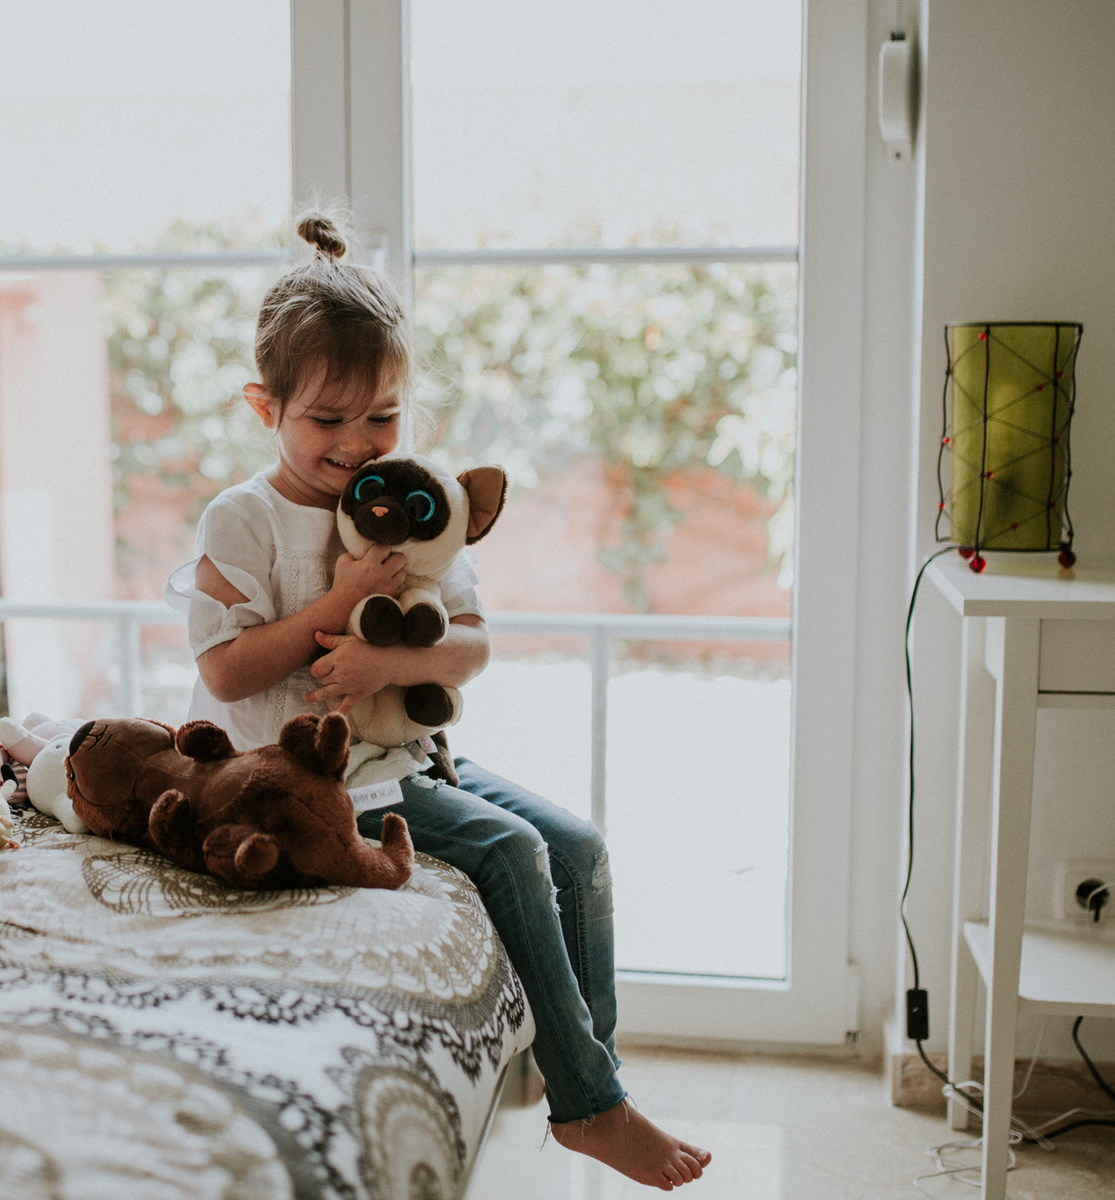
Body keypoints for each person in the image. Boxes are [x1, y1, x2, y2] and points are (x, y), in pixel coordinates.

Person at [163, 211, 713, 1191]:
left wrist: (387, 670)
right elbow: (226, 673)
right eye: (325, 421)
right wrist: (334, 610)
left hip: (408, 757)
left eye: (380, 417)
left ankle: (591, 1081)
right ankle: (596, 1104)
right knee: (515, 850)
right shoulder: (242, 518)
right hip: (312, 778)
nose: (355, 444)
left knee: (579, 846)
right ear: (264, 408)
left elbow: (471, 646)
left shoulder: (410, 501)